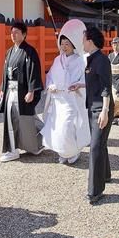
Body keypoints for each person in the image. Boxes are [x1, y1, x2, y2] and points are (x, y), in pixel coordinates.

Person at [70, 26, 114, 204]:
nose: (81, 43)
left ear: (90, 40)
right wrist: (80, 85)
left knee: (95, 147)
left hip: (100, 110)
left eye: (83, 39)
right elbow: (94, 82)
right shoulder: (91, 60)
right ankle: (105, 175)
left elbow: (105, 86)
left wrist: (104, 110)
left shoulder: (102, 60)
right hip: (93, 108)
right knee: (100, 143)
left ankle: (95, 191)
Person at [41, 20, 91, 164]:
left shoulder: (79, 61)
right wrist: (51, 86)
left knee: (68, 127)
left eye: (67, 44)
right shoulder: (57, 60)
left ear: (73, 45)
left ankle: (73, 151)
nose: (64, 47)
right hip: (58, 99)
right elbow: (50, 76)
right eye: (62, 44)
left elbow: (84, 78)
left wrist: (78, 85)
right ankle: (63, 152)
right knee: (57, 127)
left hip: (71, 99)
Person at [0, 22, 44, 162]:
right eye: (12, 32)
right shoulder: (9, 52)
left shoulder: (29, 51)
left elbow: (34, 72)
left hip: (22, 91)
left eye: (17, 32)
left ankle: (36, 145)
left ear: (24, 34)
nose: (13, 35)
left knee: (25, 120)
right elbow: (5, 73)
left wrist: (31, 90)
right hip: (10, 91)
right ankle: (12, 149)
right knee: (10, 120)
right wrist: (2, 88)